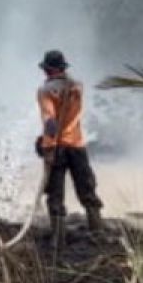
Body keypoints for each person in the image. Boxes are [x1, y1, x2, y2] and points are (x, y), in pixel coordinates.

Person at [35, 50, 104, 245]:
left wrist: (46, 147)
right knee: (86, 186)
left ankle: (58, 238)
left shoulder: (45, 91)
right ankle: (97, 229)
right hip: (77, 144)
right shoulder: (77, 86)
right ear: (63, 67)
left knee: (55, 193)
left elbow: (50, 122)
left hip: (57, 148)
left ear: (48, 70)